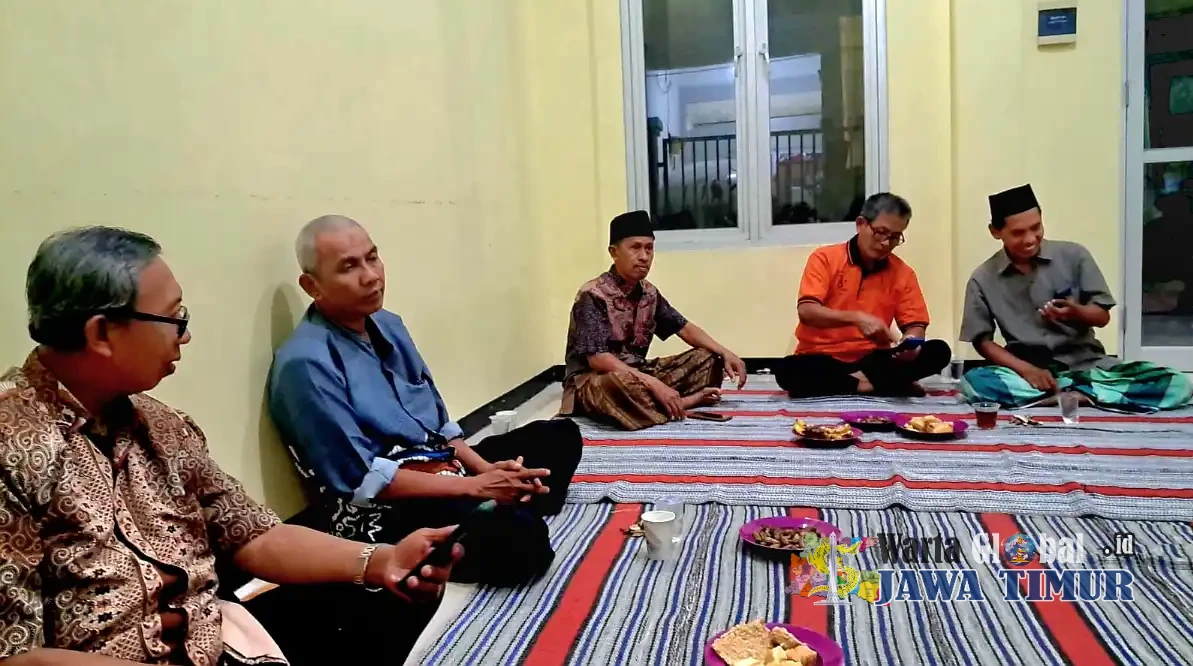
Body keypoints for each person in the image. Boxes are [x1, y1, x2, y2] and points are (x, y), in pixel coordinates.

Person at [0, 227, 461, 666]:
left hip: (214, 637)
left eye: (372, 258)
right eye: (175, 318)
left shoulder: (161, 424)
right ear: (101, 333)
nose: (185, 335)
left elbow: (251, 533)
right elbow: (13, 654)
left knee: (388, 598)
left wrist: (382, 561)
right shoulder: (13, 443)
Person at [268, 215, 582, 588]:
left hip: (445, 468)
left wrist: (486, 470)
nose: (371, 275)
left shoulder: (389, 325)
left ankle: (507, 501)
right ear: (312, 286)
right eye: (349, 267)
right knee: (524, 543)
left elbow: (440, 427)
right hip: (387, 506)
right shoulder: (306, 364)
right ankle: (507, 509)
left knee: (561, 435)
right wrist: (476, 487)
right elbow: (362, 481)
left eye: (372, 257)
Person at [960, 184, 1193, 411]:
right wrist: (1027, 370)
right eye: (1018, 233)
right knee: (973, 382)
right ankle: (1089, 394)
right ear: (995, 231)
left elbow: (1102, 317)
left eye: (1036, 227)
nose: (1030, 239)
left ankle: (1063, 395)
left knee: (1177, 384)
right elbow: (982, 342)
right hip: (1030, 372)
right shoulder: (983, 278)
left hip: (1089, 367)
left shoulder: (1074, 255)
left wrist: (1077, 312)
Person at [561, 210, 748, 430]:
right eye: (635, 247)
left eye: (649, 248)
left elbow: (684, 328)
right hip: (596, 381)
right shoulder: (593, 295)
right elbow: (597, 360)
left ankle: (658, 403)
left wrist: (726, 353)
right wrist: (654, 384)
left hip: (638, 373)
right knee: (620, 384)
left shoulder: (649, 293)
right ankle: (683, 402)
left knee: (708, 357)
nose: (644, 256)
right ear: (614, 252)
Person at [774, 192, 951, 397]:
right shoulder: (824, 259)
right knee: (787, 371)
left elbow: (916, 326)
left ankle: (857, 383)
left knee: (939, 351)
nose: (886, 243)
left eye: (895, 237)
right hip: (822, 356)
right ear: (860, 224)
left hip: (874, 359)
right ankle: (880, 384)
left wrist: (912, 345)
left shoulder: (903, 273)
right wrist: (856, 318)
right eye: (881, 232)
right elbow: (807, 311)